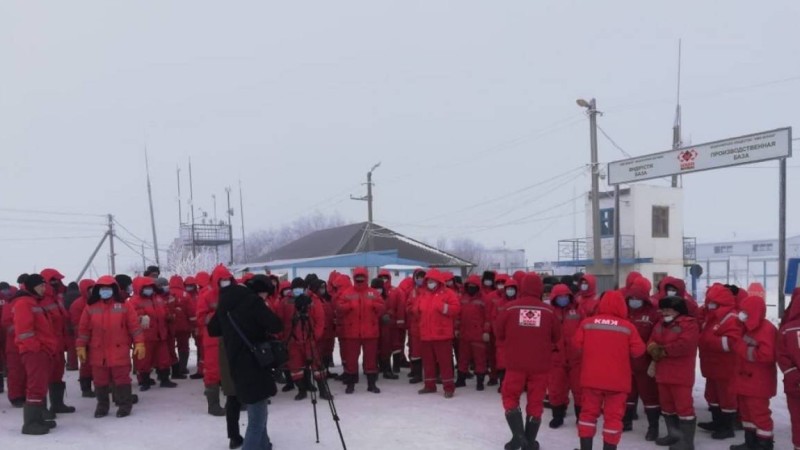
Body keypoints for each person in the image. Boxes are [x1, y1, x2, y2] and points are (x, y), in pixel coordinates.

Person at [208, 267, 283, 450]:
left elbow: (213, 329)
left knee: (258, 409)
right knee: (256, 419)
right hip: (255, 363)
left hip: (234, 361)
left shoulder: (225, 300)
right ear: (262, 291)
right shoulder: (253, 302)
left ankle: (264, 446)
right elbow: (276, 325)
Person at [574, 290, 646, 450]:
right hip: (617, 382)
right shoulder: (628, 327)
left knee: (587, 416)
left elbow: (577, 346)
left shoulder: (587, 323)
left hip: (591, 379)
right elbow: (638, 351)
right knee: (613, 419)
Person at [495, 272, 559, 450]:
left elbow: (498, 332)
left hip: (515, 363)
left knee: (510, 396)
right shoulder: (549, 311)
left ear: (521, 287)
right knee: (536, 401)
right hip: (540, 365)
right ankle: (529, 441)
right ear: (539, 288)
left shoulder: (509, 309)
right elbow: (557, 336)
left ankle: (518, 436)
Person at [76, 275, 145, 418]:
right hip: (98, 350)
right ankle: (102, 406)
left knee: (122, 379)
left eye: (108, 289)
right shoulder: (90, 307)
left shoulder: (125, 305)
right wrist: (80, 346)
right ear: (97, 290)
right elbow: (83, 330)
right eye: (102, 289)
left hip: (119, 349)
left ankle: (124, 405)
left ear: (114, 289)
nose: (105, 291)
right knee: (100, 380)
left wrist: (139, 342)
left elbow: (134, 327)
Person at [648, 295, 699, 450]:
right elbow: (651, 340)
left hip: (680, 374)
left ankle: (686, 441)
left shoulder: (689, 324)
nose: (664, 312)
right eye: (662, 309)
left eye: (667, 309)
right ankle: (674, 435)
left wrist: (662, 351)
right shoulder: (660, 323)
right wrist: (651, 347)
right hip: (663, 373)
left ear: (677, 310)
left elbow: (685, 345)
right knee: (667, 407)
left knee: (684, 408)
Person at [12, 274, 59, 435]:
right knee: (35, 387)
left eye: (44, 286)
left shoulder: (33, 302)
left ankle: (38, 419)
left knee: (39, 386)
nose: (44, 289)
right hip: (34, 353)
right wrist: (37, 348)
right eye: (41, 286)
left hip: (41, 352)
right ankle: (30, 424)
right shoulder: (24, 303)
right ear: (32, 286)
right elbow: (24, 331)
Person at [729, 295, 777, 450]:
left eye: (745, 311)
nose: (741, 314)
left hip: (758, 382)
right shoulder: (745, 327)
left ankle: (764, 446)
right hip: (745, 381)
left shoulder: (767, 329)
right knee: (747, 414)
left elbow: (767, 355)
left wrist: (742, 348)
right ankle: (751, 443)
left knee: (760, 415)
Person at [697, 283, 742, 440]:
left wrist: (708, 340)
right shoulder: (712, 316)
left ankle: (727, 427)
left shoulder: (731, 318)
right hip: (712, 365)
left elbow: (733, 342)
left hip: (725, 368)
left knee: (726, 398)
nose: (708, 304)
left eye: (711, 301)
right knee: (712, 395)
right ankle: (717, 422)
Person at [279, 278, 331, 400]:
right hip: (292, 340)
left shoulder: (313, 300)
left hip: (309, 339)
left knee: (318, 366)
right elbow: (280, 320)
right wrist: (283, 338)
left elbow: (320, 320)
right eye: (295, 288)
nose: (297, 290)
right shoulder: (285, 301)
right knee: (295, 368)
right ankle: (302, 390)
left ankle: (323, 390)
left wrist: (315, 337)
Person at [623, 276, 661, 440]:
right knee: (627, 394)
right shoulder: (623, 311)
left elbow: (657, 335)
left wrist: (652, 354)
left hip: (644, 362)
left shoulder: (653, 313)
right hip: (625, 362)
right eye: (631, 298)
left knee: (649, 395)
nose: (634, 301)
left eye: (637, 299)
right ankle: (626, 421)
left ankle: (653, 427)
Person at [337, 268, 385, 394]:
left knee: (371, 359)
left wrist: (376, 306)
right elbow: (339, 308)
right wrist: (348, 307)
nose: (359, 279)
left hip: (370, 332)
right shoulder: (347, 293)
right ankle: (351, 384)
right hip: (352, 332)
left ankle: (371, 384)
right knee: (351, 359)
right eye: (357, 277)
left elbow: (382, 308)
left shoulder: (373, 293)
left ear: (366, 278)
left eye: (362, 277)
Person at [414, 269, 461, 398]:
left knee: (445, 362)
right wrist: (416, 310)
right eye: (428, 281)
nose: (430, 283)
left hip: (442, 335)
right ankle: (429, 385)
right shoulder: (423, 294)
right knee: (428, 362)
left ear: (438, 281)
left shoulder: (448, 293)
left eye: (432, 281)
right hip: (426, 334)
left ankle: (449, 387)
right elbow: (417, 309)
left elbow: (456, 309)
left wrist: (443, 307)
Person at [128, 277, 176, 390]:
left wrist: (168, 316)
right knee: (144, 360)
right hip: (145, 336)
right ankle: (145, 381)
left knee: (164, 358)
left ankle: (164, 379)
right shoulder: (134, 301)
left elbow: (164, 310)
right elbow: (131, 317)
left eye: (150, 287)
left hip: (160, 333)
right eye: (146, 287)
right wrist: (140, 317)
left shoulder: (157, 298)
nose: (149, 289)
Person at [39, 269, 75, 415]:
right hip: (47, 346)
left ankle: (57, 404)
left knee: (57, 374)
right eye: (54, 280)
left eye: (58, 280)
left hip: (58, 345)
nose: (57, 282)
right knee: (42, 377)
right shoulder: (40, 300)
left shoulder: (57, 298)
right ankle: (41, 409)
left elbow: (62, 321)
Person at [455, 275, 491, 391]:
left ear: (478, 287)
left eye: (473, 286)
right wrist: (456, 328)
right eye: (469, 286)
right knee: (462, 358)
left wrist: (486, 331)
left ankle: (480, 382)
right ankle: (461, 379)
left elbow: (488, 318)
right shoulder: (462, 298)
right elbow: (458, 316)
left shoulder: (484, 299)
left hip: (478, 334)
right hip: (464, 333)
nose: (471, 288)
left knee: (479, 359)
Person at [778, 288, 800, 450]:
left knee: (797, 420)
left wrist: (792, 374)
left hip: (795, 384)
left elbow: (781, 354)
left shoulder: (787, 329)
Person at [69, 279, 96, 398]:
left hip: (97, 339)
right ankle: (86, 389)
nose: (92, 291)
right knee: (85, 365)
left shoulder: (96, 302)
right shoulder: (77, 304)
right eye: (90, 288)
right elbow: (77, 324)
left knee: (98, 364)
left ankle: (101, 386)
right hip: (84, 339)